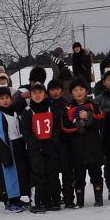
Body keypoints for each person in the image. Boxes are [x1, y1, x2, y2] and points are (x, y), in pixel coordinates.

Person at [62, 78, 105, 208]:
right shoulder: (68, 108)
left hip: (93, 147)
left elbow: (101, 122)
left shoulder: (93, 105)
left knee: (96, 174)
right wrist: (79, 124)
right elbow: (65, 127)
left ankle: (99, 199)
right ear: (71, 93)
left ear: (86, 91)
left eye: (81, 89)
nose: (79, 92)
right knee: (79, 177)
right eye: (75, 90)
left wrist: (89, 117)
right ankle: (80, 201)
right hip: (77, 149)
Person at [19, 83, 62, 213]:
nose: (37, 95)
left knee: (52, 174)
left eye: (40, 92)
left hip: (50, 147)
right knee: (38, 175)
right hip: (35, 149)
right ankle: (36, 202)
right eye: (34, 93)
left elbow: (56, 128)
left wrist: (52, 142)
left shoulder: (51, 108)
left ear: (45, 94)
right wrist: (36, 145)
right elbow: (25, 131)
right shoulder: (27, 111)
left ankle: (52, 201)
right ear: (30, 95)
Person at [0, 87, 29, 212]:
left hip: (17, 145)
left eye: (7, 98)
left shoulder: (14, 112)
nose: (5, 101)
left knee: (18, 173)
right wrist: (5, 154)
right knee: (9, 174)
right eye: (2, 99)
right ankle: (9, 201)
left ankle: (16, 198)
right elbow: (1, 135)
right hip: (7, 147)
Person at [47, 80, 75, 208]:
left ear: (62, 91)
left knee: (67, 172)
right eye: (52, 90)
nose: (55, 92)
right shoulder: (46, 106)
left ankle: (69, 199)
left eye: (57, 89)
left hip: (65, 142)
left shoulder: (67, 105)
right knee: (53, 173)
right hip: (51, 143)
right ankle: (56, 199)